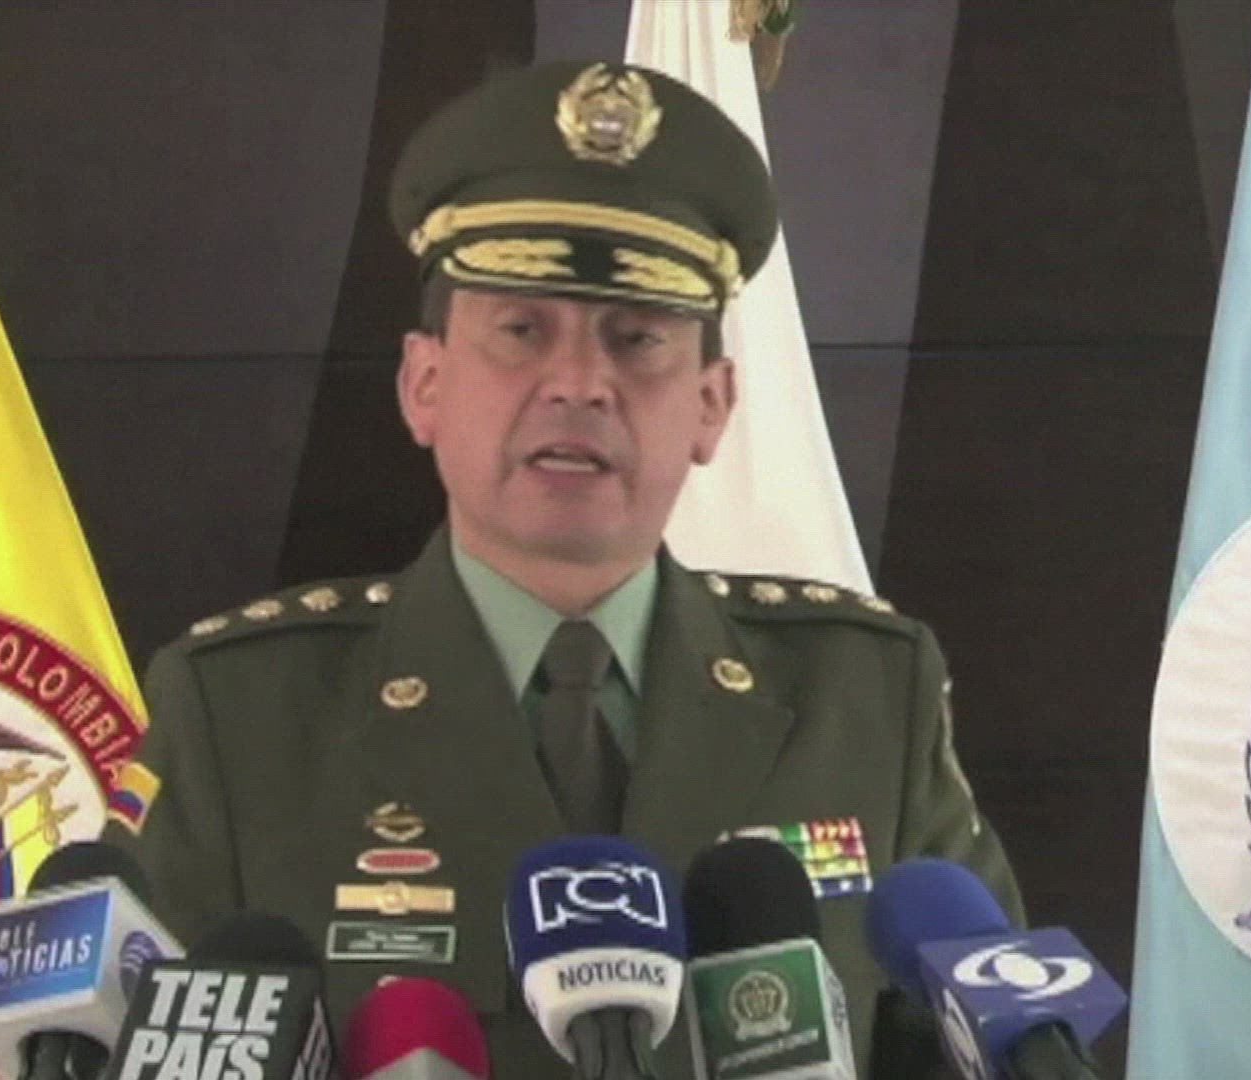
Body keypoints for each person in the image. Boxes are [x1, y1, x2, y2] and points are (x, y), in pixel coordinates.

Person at [104, 59, 1021, 1077]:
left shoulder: (868, 700)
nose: (579, 383)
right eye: (521, 330)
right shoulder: (240, 719)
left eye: (638, 339)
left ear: (712, 405)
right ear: (424, 384)